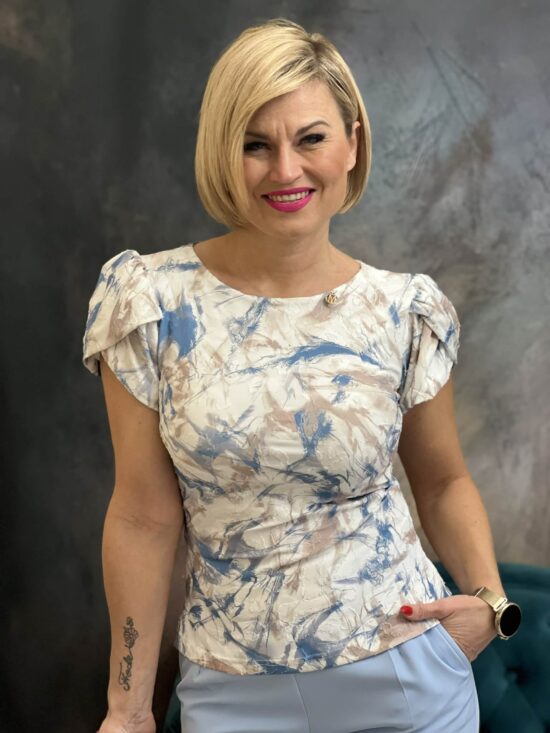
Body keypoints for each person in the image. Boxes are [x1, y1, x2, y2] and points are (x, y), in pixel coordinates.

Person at [82, 17, 521, 733]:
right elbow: (142, 516)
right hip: (229, 691)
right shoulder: (151, 303)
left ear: (352, 143)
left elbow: (442, 482)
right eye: (255, 144)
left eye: (311, 138)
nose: (285, 170)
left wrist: (489, 603)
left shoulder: (402, 311)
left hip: (408, 679)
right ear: (222, 152)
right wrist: (127, 710)